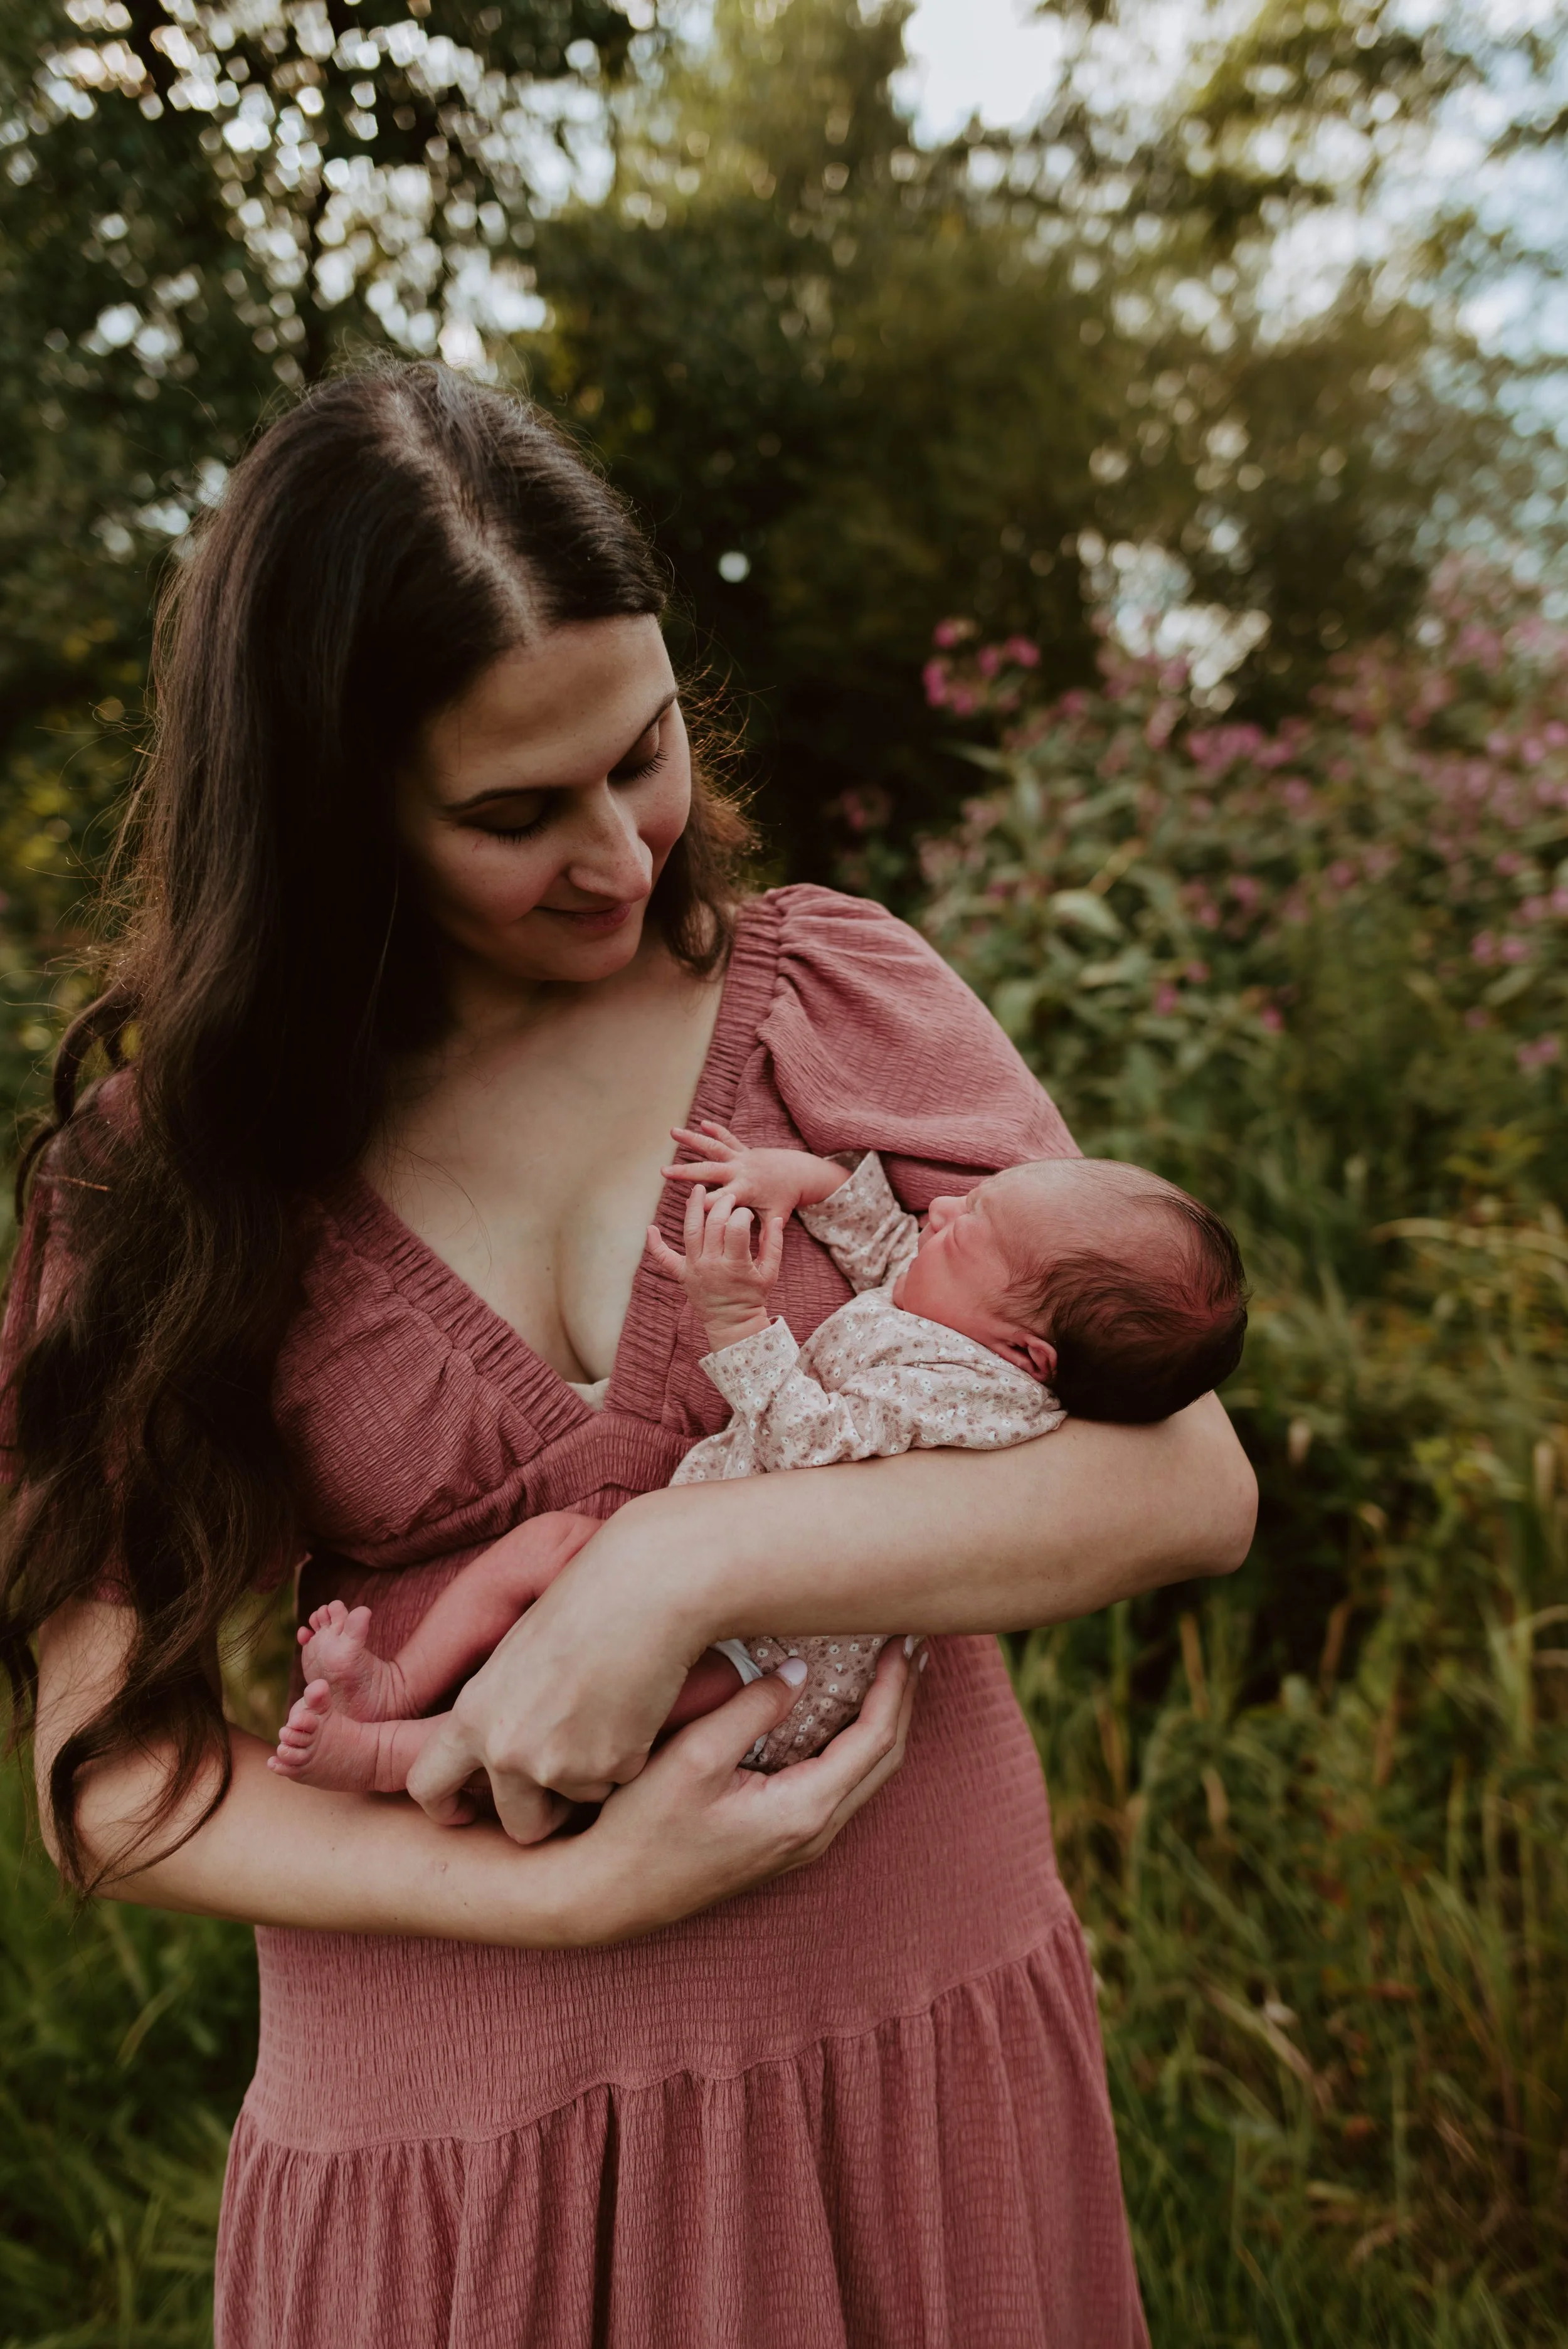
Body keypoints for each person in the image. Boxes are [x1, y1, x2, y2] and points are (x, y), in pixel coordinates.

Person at [0, 362, 1256, 2348]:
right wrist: (564, 1897)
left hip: (906, 2050)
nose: (619, 849)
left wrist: (687, 1565)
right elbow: (102, 1775)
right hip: (451, 2157)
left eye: (644, 749)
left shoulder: (836, 997)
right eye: (516, 811)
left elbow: (1187, 1483)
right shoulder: (168, 1177)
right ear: (330, 813)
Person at [270, 1132, 1246, 1790]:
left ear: (1027, 1356)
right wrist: (802, 1179)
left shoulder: (975, 1395)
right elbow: (889, 1242)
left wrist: (739, 1320)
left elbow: (810, 1452)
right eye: (971, 1200)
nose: (942, 1210)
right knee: (548, 1547)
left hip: (773, 1661)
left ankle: (392, 1752)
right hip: (697, 1565)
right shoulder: (959, 1311)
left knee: (625, 1711)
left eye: (973, 1230)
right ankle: (400, 1681)